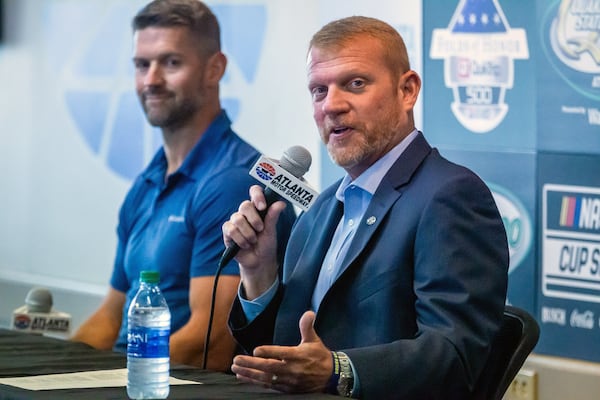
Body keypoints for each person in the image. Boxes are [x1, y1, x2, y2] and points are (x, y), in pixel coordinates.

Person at [221, 16, 509, 398]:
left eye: (355, 84)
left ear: (407, 90)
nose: (332, 105)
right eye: (318, 90)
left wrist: (338, 371)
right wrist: (257, 274)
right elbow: (285, 351)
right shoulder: (322, 209)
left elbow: (455, 357)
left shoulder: (451, 196)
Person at [71, 0, 296, 372]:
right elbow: (110, 318)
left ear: (215, 69)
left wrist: (105, 380)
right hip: (129, 377)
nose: (151, 80)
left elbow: (209, 344)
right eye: (142, 65)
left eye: (171, 63)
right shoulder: (146, 184)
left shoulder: (233, 182)